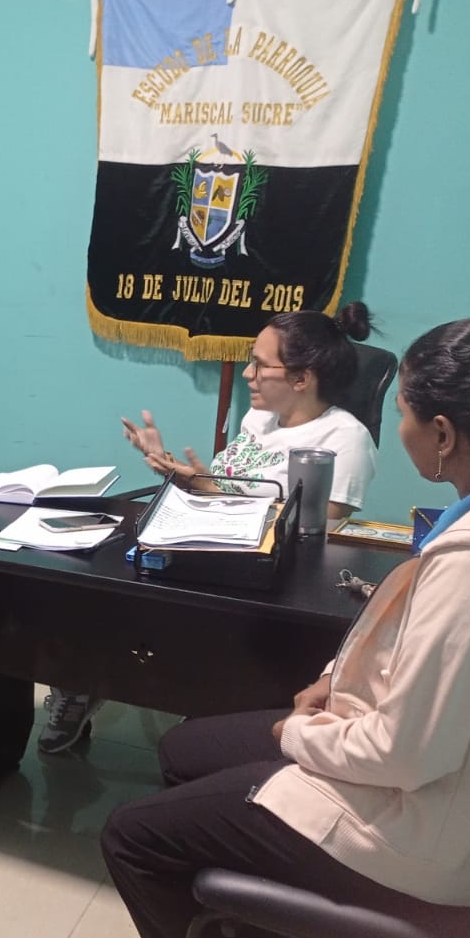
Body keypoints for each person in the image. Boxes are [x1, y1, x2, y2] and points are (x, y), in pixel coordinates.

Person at [99, 315, 470, 938]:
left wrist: (297, 733)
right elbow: (420, 644)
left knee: (131, 836)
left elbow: (407, 755)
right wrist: (337, 679)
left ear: (443, 433)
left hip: (417, 832)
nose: (396, 426)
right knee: (184, 749)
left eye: (402, 411)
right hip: (427, 776)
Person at [40, 303, 380, 754]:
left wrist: (213, 494)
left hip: (264, 577)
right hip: (210, 545)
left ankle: (199, 703)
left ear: (302, 378)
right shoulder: (259, 419)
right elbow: (225, 491)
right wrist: (177, 471)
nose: (247, 375)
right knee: (92, 574)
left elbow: (319, 527)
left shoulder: (342, 439)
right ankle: (81, 680)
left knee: (145, 601)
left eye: (259, 365)